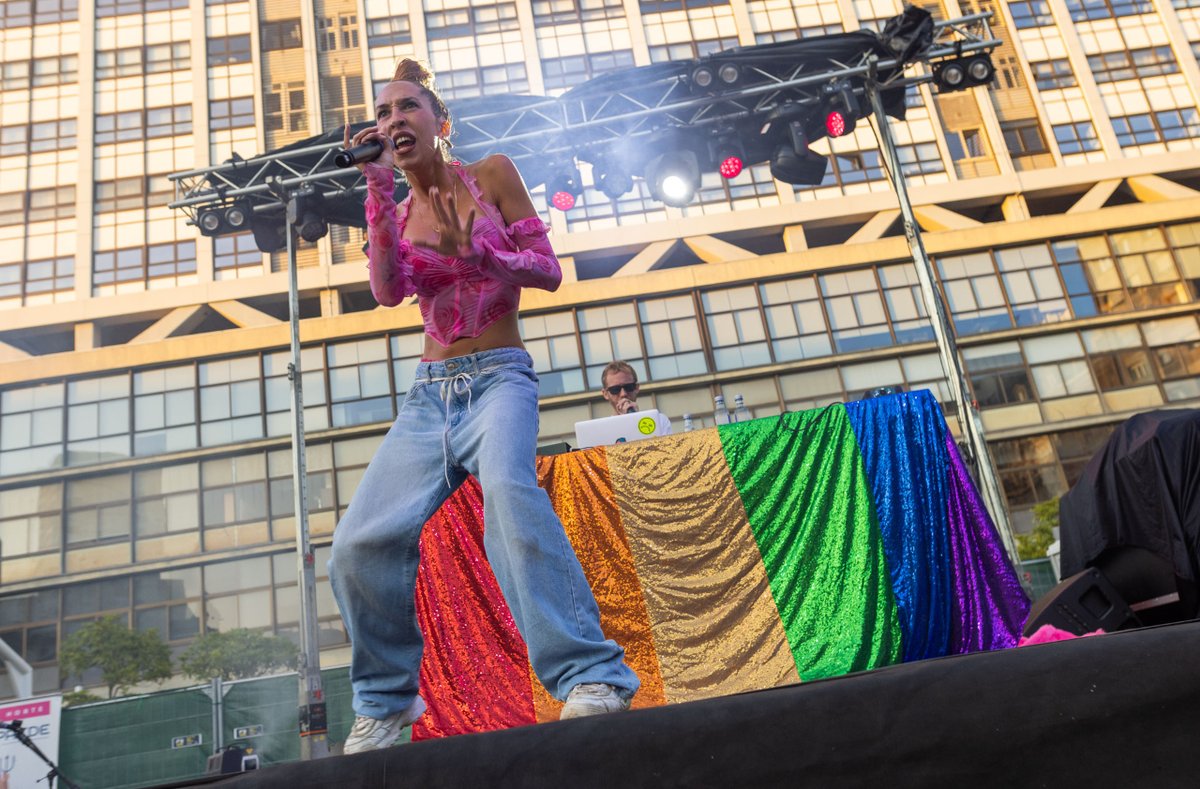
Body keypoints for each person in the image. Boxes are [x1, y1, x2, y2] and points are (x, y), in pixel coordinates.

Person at [330, 58, 640, 755]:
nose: (391, 120)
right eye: (381, 115)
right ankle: (386, 702)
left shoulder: (494, 174)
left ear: (439, 121)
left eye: (405, 107)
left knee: (506, 490)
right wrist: (377, 189)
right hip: (429, 398)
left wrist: (491, 257)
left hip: (500, 378)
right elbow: (385, 290)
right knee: (355, 545)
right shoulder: (398, 210)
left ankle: (593, 674)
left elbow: (550, 270)